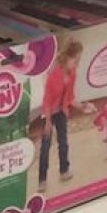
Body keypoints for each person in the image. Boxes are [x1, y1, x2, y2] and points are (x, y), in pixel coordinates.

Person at [39, 39, 81, 188]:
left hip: (61, 111)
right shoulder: (53, 75)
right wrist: (47, 122)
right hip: (48, 113)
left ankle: (64, 171)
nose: (77, 64)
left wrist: (83, 106)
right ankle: (42, 180)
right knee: (45, 147)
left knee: (63, 143)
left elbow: (70, 97)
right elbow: (47, 101)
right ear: (67, 57)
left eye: (78, 61)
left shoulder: (72, 74)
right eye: (75, 61)